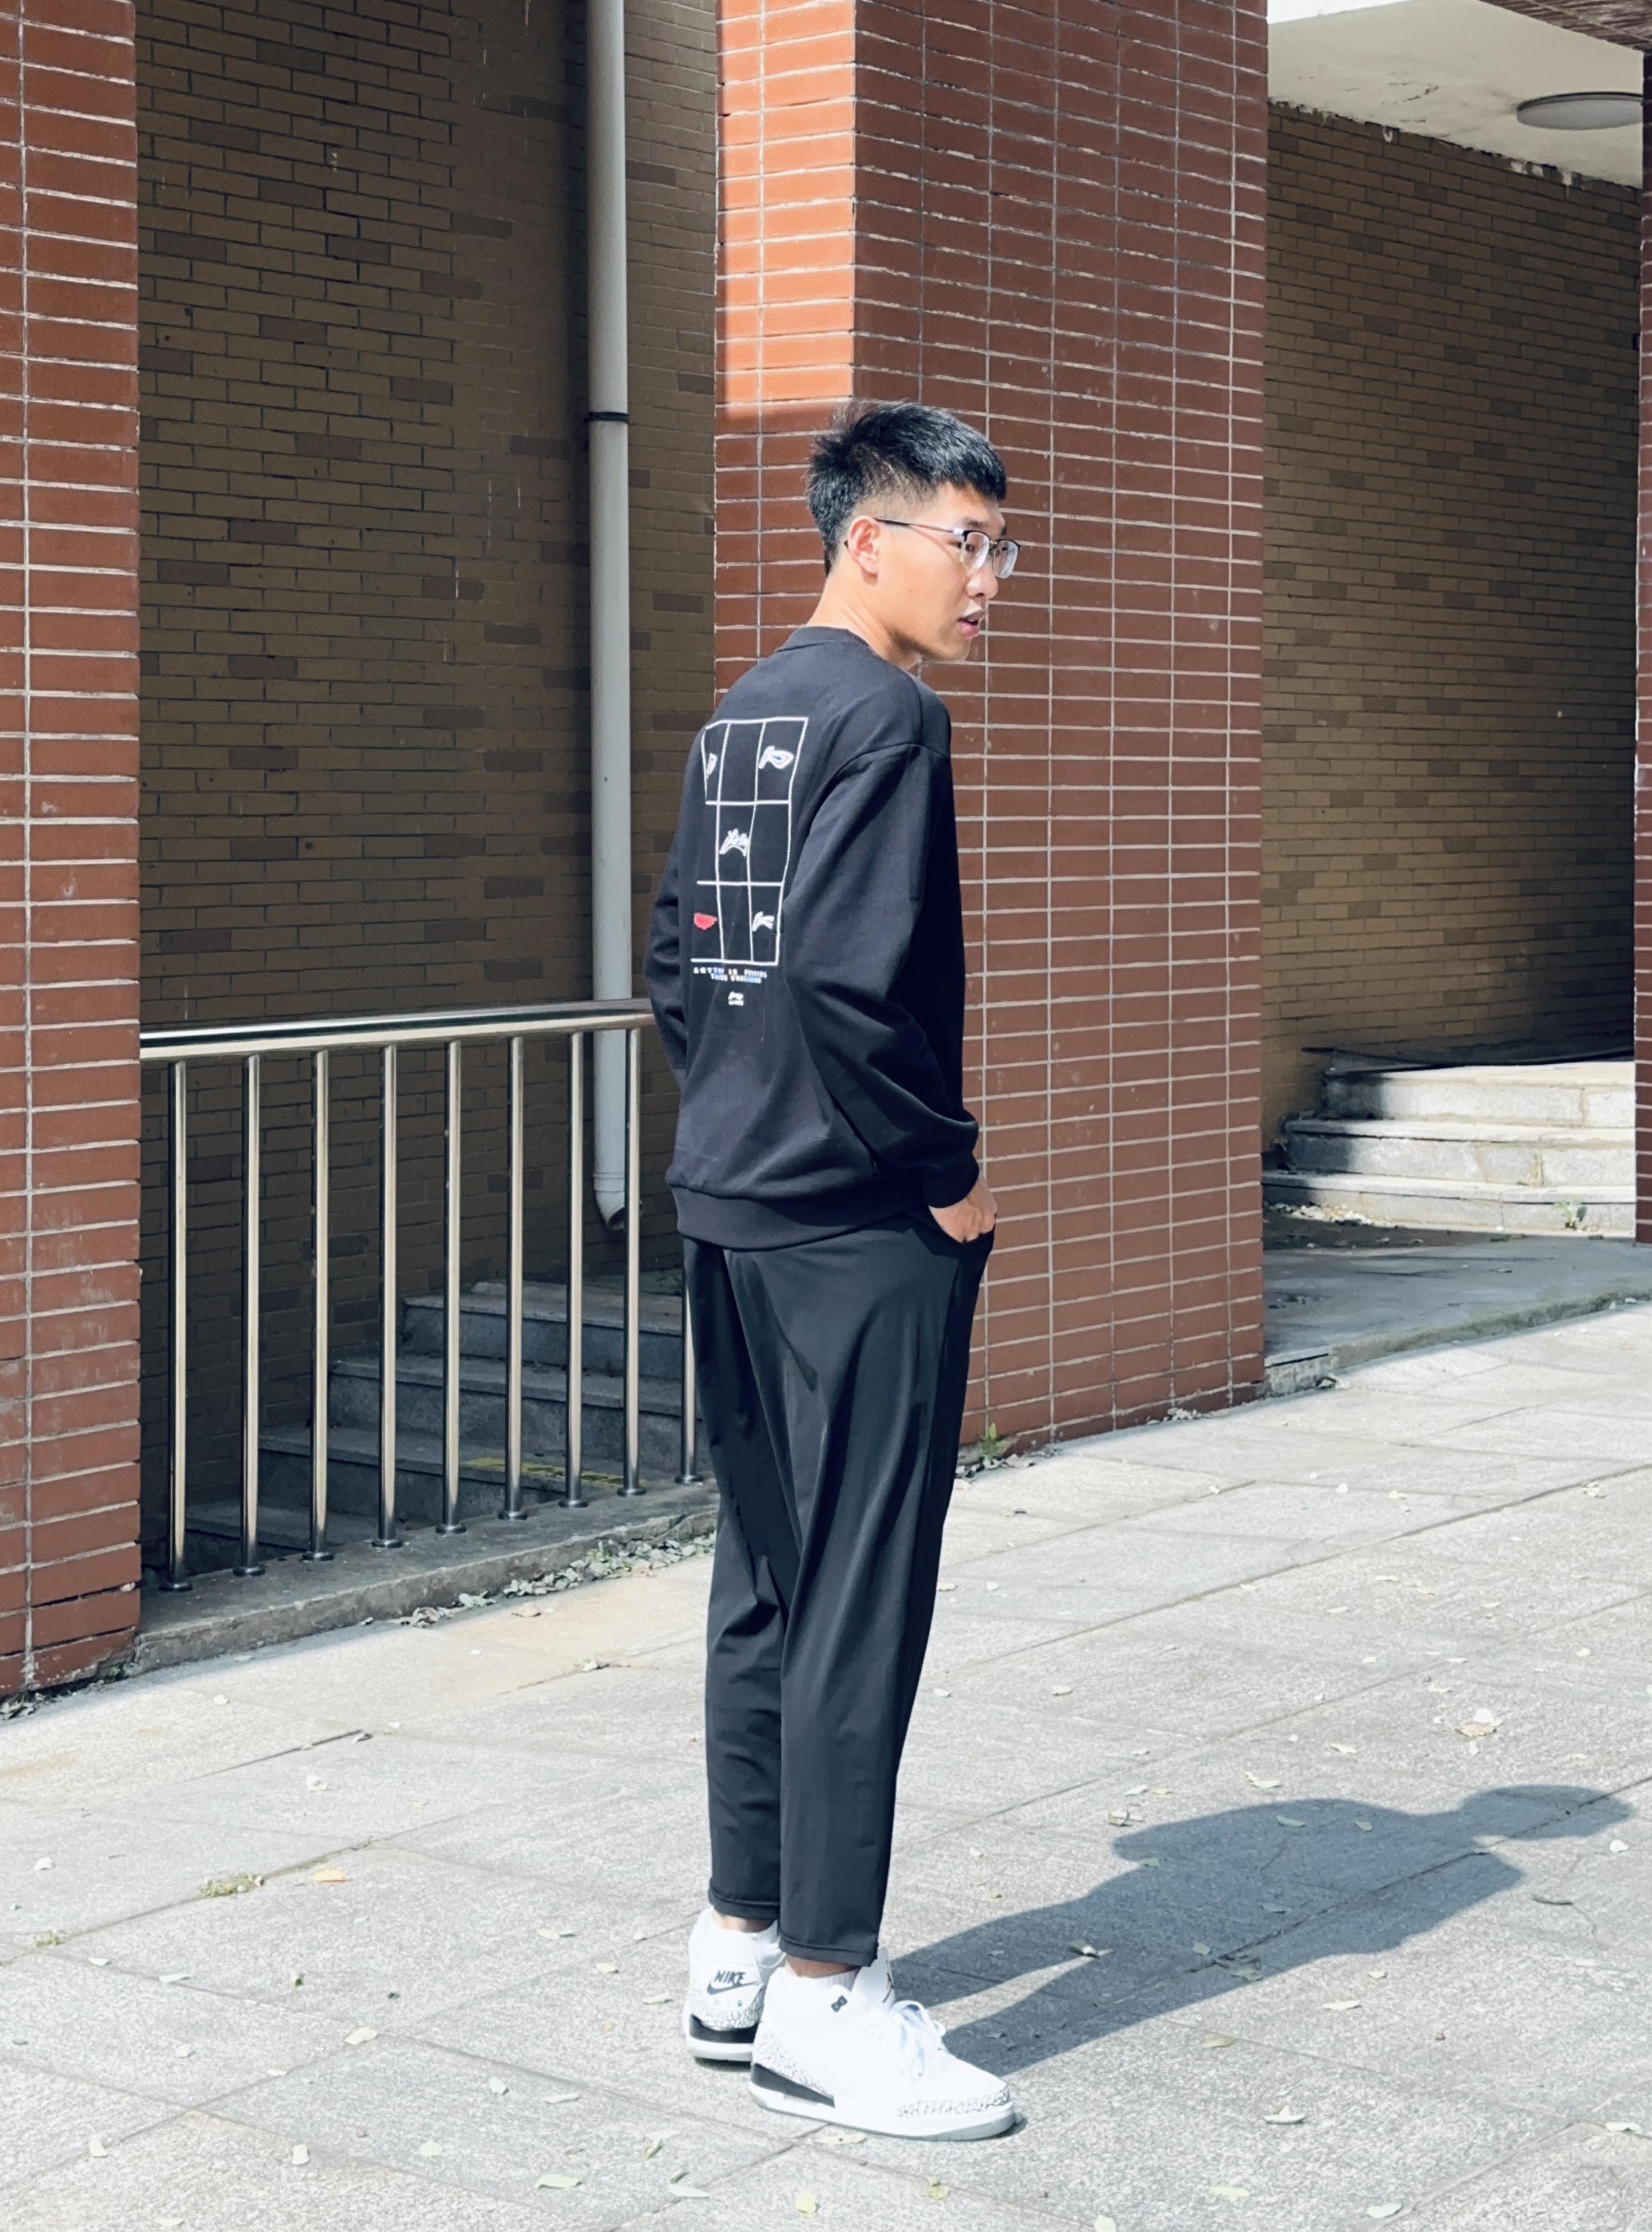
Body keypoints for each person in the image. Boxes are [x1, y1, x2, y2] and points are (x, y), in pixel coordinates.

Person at [644, 400, 1018, 2141]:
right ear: (867, 539)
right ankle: (825, 1995)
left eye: (1001, 547)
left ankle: (736, 1946)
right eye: (968, 542)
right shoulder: (886, 716)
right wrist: (945, 1179)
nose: (989, 581)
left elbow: (681, 965)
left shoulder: (744, 714)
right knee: (860, 1597)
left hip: (727, 1206)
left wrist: (736, 1116)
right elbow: (849, 992)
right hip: (856, 1226)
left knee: (766, 1583)